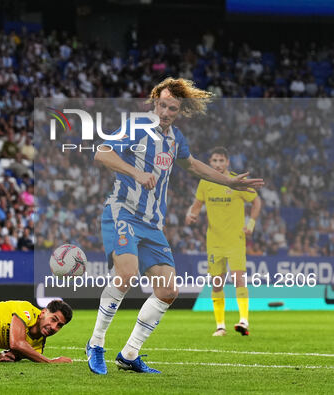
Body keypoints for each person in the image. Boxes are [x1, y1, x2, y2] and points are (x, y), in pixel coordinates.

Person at [86, 78, 264, 375]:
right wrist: (136, 173)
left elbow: (193, 165)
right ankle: (96, 343)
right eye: (162, 105)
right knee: (127, 274)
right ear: (154, 101)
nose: (166, 112)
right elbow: (101, 153)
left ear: (179, 111)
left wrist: (230, 181)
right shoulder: (136, 126)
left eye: (172, 108)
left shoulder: (175, 138)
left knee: (168, 290)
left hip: (152, 225)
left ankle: (130, 354)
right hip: (122, 212)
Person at [185, 146, 262, 336]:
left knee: (238, 278)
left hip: (235, 239)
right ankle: (220, 326)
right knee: (217, 283)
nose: (218, 164)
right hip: (214, 241)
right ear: (210, 163)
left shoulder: (236, 181)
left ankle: (243, 321)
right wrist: (191, 214)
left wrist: (250, 224)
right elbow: (197, 205)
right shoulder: (205, 182)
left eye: (221, 161)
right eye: (214, 161)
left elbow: (256, 201)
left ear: (227, 162)